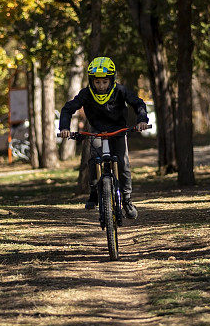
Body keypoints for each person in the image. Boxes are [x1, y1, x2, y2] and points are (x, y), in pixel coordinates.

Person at [59, 57, 149, 219]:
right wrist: (64, 128)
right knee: (94, 160)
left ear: (111, 80)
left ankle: (127, 200)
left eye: (105, 82)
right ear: (91, 81)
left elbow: (139, 104)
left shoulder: (120, 91)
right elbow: (67, 109)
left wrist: (142, 120)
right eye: (97, 82)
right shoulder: (86, 94)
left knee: (123, 164)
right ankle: (94, 192)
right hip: (97, 131)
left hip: (118, 131)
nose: (101, 86)